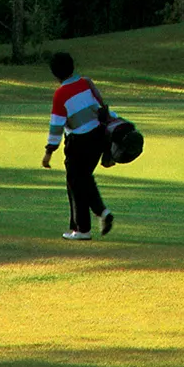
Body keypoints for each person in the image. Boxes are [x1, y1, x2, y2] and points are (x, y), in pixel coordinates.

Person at [41, 49, 115, 241]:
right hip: (98, 137)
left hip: (79, 141)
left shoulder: (61, 94)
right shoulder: (85, 83)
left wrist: (49, 152)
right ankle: (101, 213)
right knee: (83, 179)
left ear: (55, 74)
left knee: (76, 182)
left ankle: (82, 229)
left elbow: (56, 125)